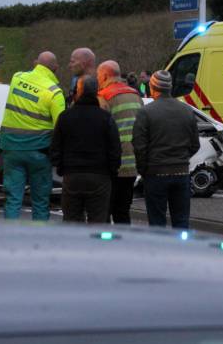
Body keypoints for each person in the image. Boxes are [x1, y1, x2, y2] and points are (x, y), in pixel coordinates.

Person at [0, 51, 66, 221]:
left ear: (36, 63)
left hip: (12, 149)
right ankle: (38, 240)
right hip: (39, 153)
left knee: (13, 199)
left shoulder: (17, 78)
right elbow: (61, 127)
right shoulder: (54, 93)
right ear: (55, 68)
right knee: (40, 201)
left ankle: (9, 238)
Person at [132, 70, 199, 229]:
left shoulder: (146, 112)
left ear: (152, 87)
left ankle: (159, 252)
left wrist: (144, 169)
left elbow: (139, 146)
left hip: (156, 173)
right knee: (181, 221)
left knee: (157, 222)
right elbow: (195, 144)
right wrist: (182, 159)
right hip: (181, 172)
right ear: (170, 87)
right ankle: (181, 251)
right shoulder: (187, 111)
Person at [51, 76, 121, 223]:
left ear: (78, 91)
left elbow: (56, 146)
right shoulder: (105, 118)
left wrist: (61, 168)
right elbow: (115, 148)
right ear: (96, 92)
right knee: (98, 221)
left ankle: (74, 245)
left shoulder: (65, 117)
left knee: (72, 220)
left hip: (72, 175)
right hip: (100, 176)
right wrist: (112, 170)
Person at [97, 60, 143, 224]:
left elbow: (100, 131)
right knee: (123, 211)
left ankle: (105, 248)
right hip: (132, 164)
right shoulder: (135, 95)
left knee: (104, 211)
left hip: (112, 165)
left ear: (104, 75)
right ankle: (125, 246)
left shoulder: (104, 97)